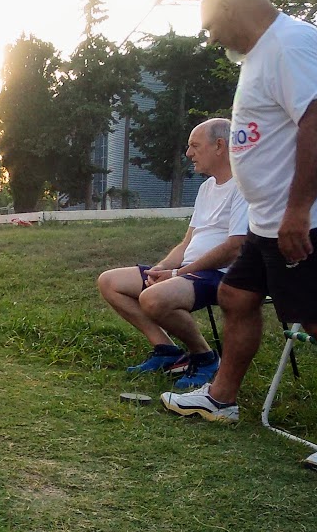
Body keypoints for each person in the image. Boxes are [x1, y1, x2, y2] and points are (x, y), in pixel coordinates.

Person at [161, 0, 317, 474]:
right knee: (237, 295)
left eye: (212, 25)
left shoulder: (290, 44)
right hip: (267, 219)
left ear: (234, 8)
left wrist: (298, 210)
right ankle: (221, 398)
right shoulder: (264, 52)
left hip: (310, 215)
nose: (212, 37)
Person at [98, 119, 247, 390]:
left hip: (222, 275)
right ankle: (167, 351)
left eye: (194, 146)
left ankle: (204, 357)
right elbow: (187, 241)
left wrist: (178, 274)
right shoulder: (206, 188)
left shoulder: (244, 187)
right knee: (110, 282)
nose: (189, 154)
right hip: (188, 272)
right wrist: (162, 268)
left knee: (152, 298)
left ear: (219, 146)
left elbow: (234, 248)